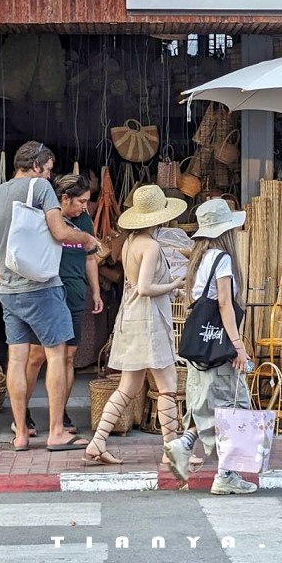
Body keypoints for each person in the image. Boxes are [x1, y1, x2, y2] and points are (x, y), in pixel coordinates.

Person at [0, 141, 102, 453]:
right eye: (48, 169)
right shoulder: (41, 188)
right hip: (43, 288)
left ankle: (21, 433)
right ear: (37, 166)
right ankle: (56, 432)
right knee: (56, 356)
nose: (50, 176)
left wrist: (4, 284)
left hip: (9, 291)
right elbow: (60, 233)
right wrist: (87, 239)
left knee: (18, 360)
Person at [84, 185, 186, 466]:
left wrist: (167, 288)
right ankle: (172, 452)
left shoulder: (129, 242)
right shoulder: (151, 245)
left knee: (128, 386)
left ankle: (98, 441)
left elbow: (137, 283)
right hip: (149, 320)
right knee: (167, 386)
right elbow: (145, 287)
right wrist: (174, 284)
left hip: (130, 317)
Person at [164, 198, 258, 495]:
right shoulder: (223, 259)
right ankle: (226, 475)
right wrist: (239, 346)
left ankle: (184, 444)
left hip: (201, 348)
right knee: (233, 408)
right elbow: (224, 304)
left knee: (208, 404)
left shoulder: (200, 259)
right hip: (219, 348)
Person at [20, 173, 103, 436]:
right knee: (36, 356)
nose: (84, 207)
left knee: (67, 357)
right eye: (80, 201)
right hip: (46, 292)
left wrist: (96, 292)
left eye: (87, 202)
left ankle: (60, 412)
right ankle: (22, 414)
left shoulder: (85, 219)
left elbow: (90, 258)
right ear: (64, 198)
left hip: (75, 293)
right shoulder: (47, 214)